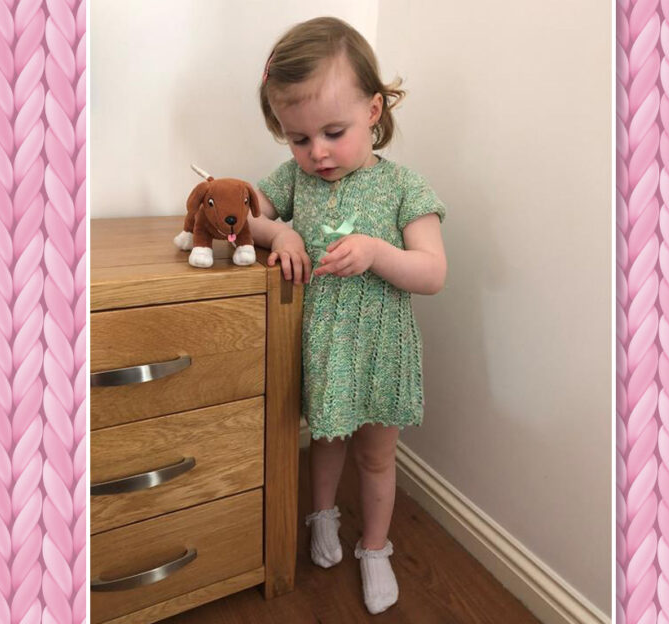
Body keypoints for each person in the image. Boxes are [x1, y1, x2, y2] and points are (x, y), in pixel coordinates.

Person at [247, 16, 447, 615]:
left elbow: (433, 272)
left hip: (381, 351)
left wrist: (379, 252)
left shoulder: (405, 187)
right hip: (324, 346)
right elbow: (245, 214)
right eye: (299, 139)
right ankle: (322, 515)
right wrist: (277, 231)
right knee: (324, 441)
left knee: (376, 455)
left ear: (374, 111)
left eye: (333, 131)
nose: (318, 152)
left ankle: (377, 547)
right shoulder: (295, 182)